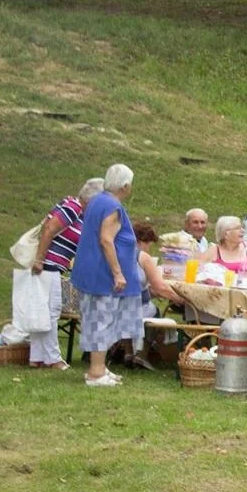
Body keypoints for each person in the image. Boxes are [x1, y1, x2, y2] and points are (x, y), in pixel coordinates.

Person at [71, 165, 143, 388]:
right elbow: (105, 239)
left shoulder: (98, 201)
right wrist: (118, 273)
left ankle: (100, 367)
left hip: (93, 270)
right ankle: (96, 372)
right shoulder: (112, 206)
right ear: (125, 186)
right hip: (103, 274)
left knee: (98, 319)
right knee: (102, 320)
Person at [26, 177, 104, 370]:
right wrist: (39, 260)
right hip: (48, 263)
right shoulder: (73, 207)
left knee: (42, 311)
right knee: (51, 311)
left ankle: (36, 357)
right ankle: (53, 358)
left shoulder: (81, 213)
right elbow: (49, 229)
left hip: (55, 265)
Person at [126, 221, 185, 369]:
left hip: (115, 305)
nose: (149, 248)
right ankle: (141, 355)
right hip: (135, 308)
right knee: (153, 312)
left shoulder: (118, 253)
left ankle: (128, 352)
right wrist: (177, 299)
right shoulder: (142, 257)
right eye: (149, 244)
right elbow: (160, 287)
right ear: (140, 241)